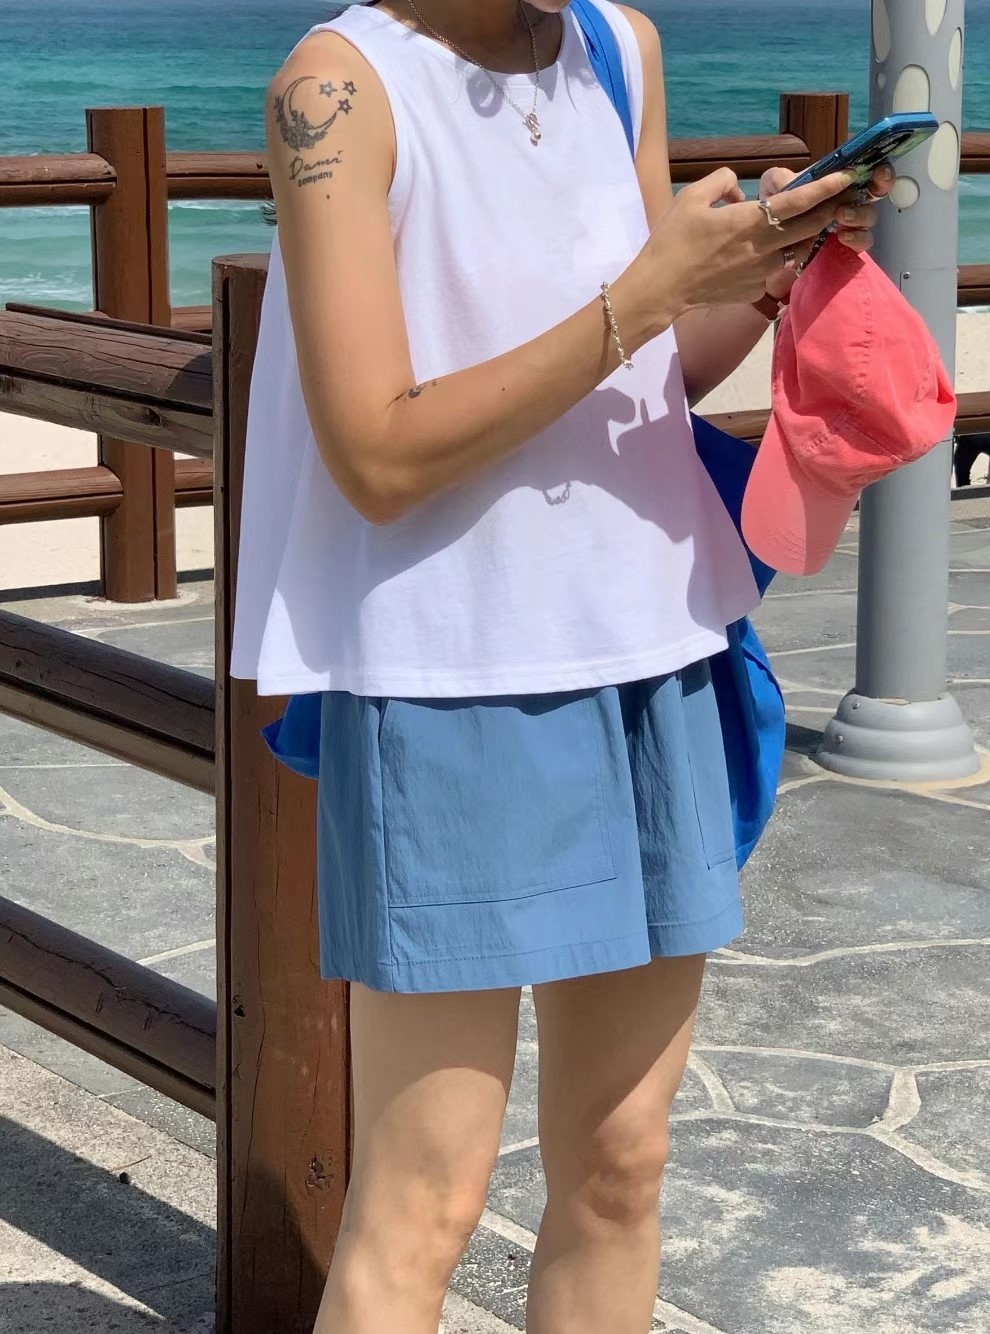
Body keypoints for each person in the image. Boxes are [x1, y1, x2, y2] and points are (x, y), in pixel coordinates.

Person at [237, 3, 893, 1329]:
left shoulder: (616, 46)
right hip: (449, 677)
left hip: (655, 648)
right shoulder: (338, 86)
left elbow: (644, 375)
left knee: (621, 1165)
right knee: (423, 1198)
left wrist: (759, 277)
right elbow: (377, 451)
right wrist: (652, 288)